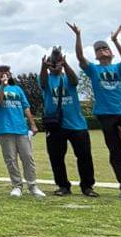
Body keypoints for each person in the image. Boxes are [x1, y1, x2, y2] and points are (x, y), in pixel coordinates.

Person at [69, 22, 121, 199]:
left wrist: (115, 40)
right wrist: (78, 35)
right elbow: (80, 57)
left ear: (111, 52)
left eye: (105, 48)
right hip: (106, 114)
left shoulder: (119, 68)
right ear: (96, 56)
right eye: (98, 49)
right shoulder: (93, 70)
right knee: (115, 151)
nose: (101, 50)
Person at [39, 48, 96, 197]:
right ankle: (63, 185)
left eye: (57, 63)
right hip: (55, 125)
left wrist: (65, 65)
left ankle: (87, 186)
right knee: (56, 157)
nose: (55, 65)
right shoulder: (46, 79)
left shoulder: (67, 78)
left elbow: (75, 81)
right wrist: (43, 67)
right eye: (52, 63)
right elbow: (43, 82)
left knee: (84, 156)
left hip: (77, 124)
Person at [0, 65, 44, 198]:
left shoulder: (17, 89)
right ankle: (17, 186)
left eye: (6, 71)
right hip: (4, 129)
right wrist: (2, 86)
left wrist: (32, 124)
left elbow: (26, 107)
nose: (4, 73)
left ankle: (33, 185)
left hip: (21, 129)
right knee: (11, 159)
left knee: (28, 158)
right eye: (0, 71)